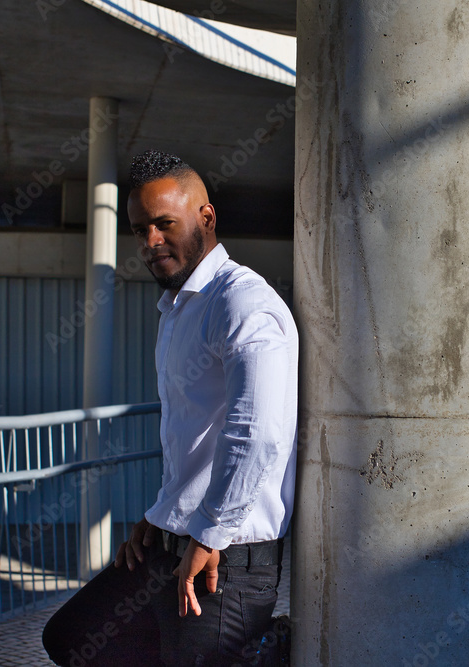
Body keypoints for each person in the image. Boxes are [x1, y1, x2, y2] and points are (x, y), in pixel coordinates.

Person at [42, 150, 298, 666]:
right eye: (140, 230)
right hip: (169, 541)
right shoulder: (179, 307)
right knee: (73, 639)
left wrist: (207, 533)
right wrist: (162, 513)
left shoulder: (243, 304)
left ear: (206, 218)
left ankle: (268, 651)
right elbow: (194, 434)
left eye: (164, 224)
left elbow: (259, 434)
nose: (150, 242)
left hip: (223, 557)